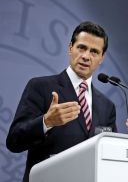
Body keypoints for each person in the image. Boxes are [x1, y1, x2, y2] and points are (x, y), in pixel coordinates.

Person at [6, 21, 117, 182]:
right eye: (82, 47)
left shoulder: (107, 106)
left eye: (94, 51)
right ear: (70, 47)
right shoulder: (41, 87)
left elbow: (108, 155)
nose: (86, 56)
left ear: (101, 58)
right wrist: (46, 122)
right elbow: (14, 141)